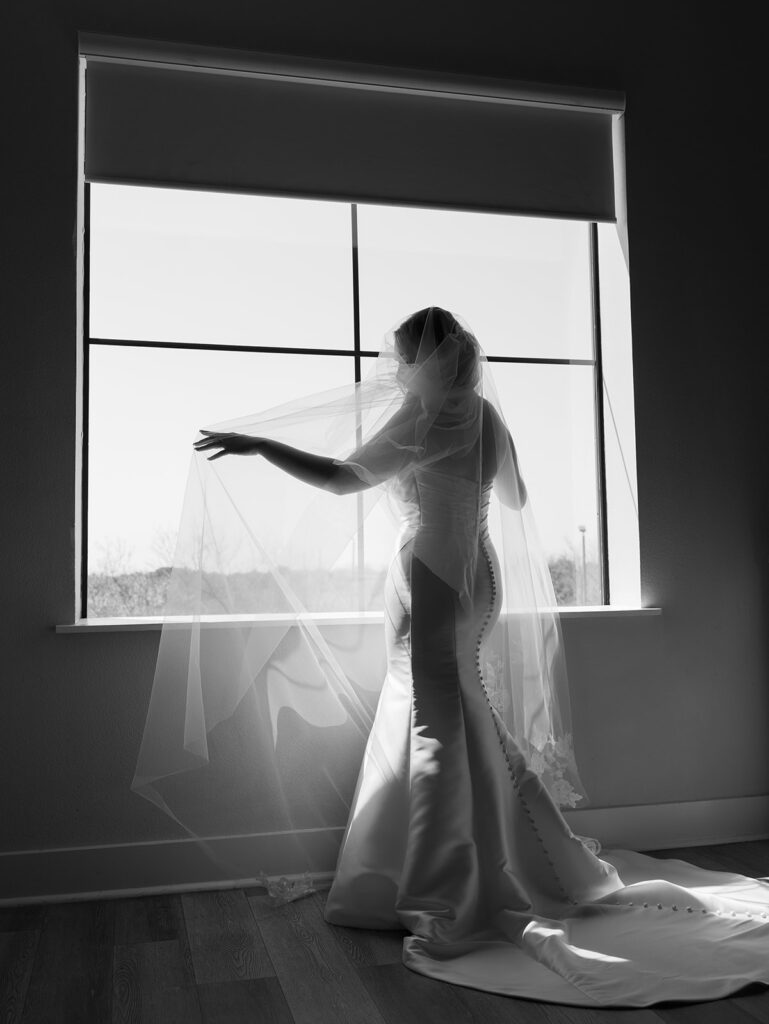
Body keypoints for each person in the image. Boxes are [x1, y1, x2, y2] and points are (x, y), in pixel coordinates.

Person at [142, 307, 769, 1007]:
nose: (395, 367)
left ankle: (444, 891)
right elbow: (518, 496)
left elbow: (342, 478)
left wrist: (262, 446)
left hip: (431, 576)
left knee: (434, 721)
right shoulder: (483, 416)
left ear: (419, 359)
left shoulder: (420, 414)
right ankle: (517, 862)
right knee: (463, 709)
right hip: (480, 573)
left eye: (401, 356)